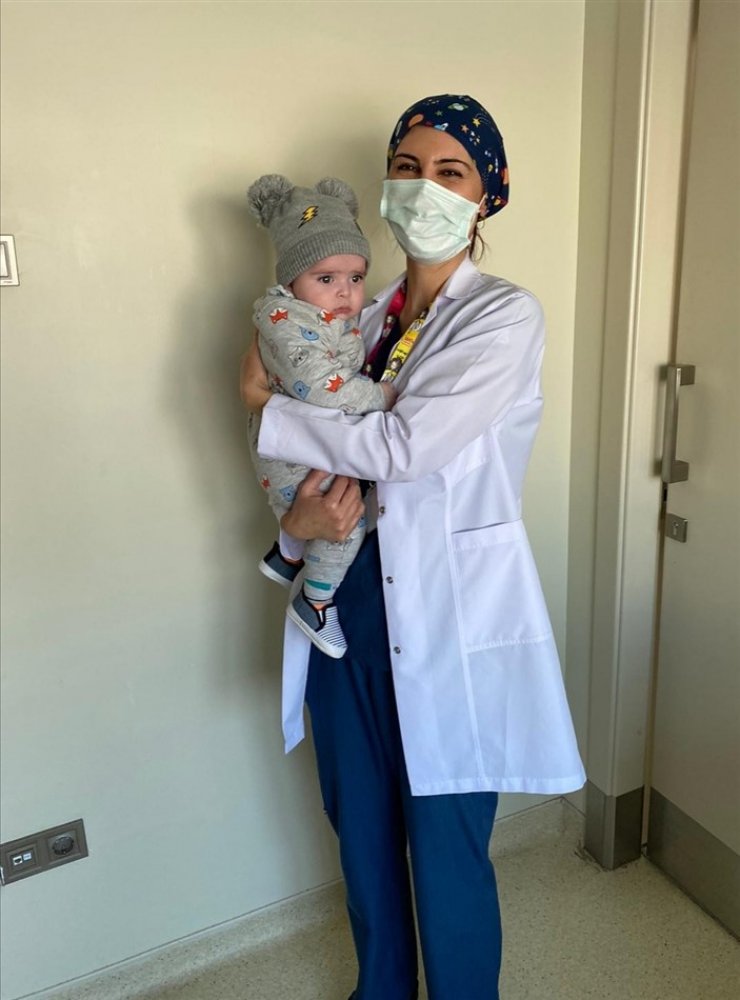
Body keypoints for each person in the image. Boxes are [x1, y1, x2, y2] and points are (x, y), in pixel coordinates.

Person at [241, 94, 586, 1000]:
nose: (422, 186)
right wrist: (294, 529)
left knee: (445, 849)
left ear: (488, 194)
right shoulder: (353, 315)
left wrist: (265, 409)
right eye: (406, 167)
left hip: (444, 616)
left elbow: (402, 448)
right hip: (345, 613)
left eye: (450, 171)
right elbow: (317, 476)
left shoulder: (503, 318)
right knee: (361, 835)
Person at [246, 174, 395, 658]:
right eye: (326, 279)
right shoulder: (288, 321)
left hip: (304, 442)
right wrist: (380, 396)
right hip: (290, 451)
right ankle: (315, 602)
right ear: (291, 281)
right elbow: (322, 387)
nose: (345, 292)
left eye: (356, 278)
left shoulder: (323, 317)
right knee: (342, 523)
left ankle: (287, 556)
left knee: (334, 505)